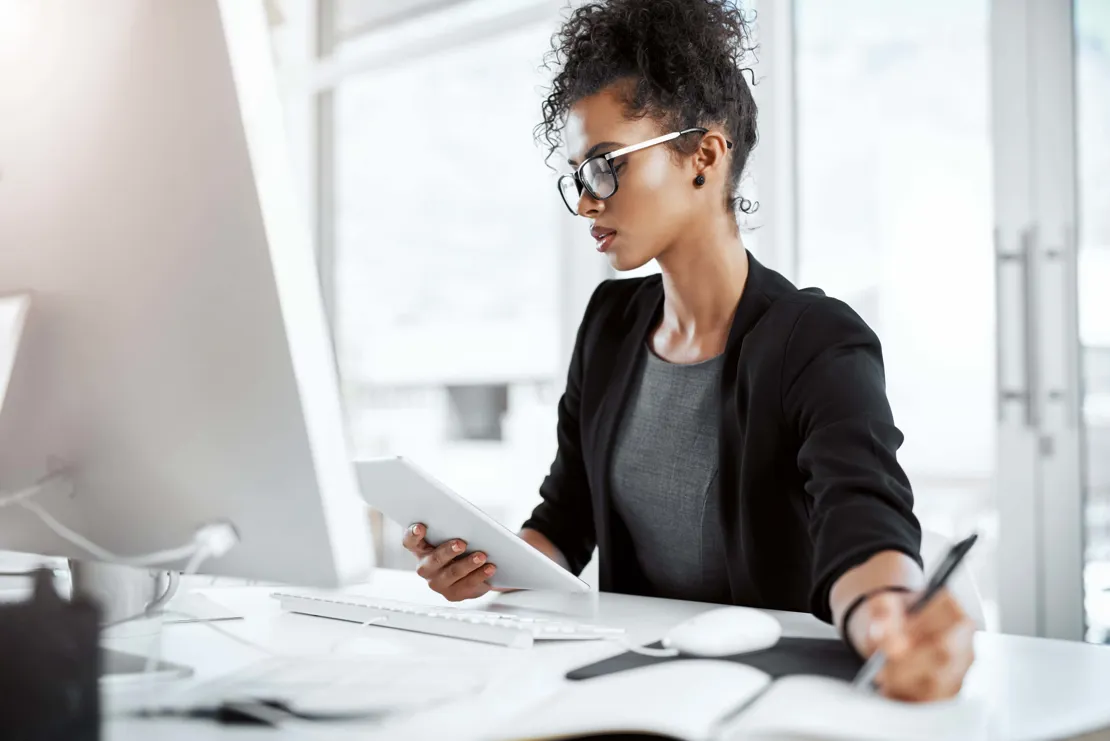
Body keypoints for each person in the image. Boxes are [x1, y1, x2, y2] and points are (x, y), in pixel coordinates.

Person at [402, 0, 975, 702]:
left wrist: (884, 610)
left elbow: (864, 517)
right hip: (632, 687)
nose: (586, 203)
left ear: (703, 154)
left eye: (606, 166)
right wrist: (486, 565)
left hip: (770, 700)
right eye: (579, 176)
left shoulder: (819, 338)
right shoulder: (610, 325)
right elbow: (564, 519)